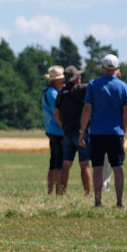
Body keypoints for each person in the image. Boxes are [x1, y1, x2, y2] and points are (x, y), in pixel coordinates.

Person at [79, 54, 127, 208]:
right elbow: (126, 113)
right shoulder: (123, 86)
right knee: (118, 168)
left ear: (102, 67)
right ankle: (119, 202)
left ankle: (97, 202)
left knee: (97, 168)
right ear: (116, 68)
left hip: (97, 132)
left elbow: (87, 109)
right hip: (116, 132)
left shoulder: (93, 84)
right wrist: (124, 132)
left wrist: (83, 130)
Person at [56, 65, 92, 196]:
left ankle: (62, 193)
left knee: (66, 164)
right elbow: (93, 86)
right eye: (78, 75)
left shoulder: (61, 92)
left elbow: (56, 114)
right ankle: (87, 193)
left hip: (67, 132)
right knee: (84, 164)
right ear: (74, 78)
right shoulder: (81, 89)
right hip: (81, 133)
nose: (80, 77)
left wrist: (63, 126)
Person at [42, 65, 66, 195]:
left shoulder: (47, 91)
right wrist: (64, 126)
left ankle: (50, 190)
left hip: (51, 129)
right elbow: (57, 112)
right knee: (59, 163)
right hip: (58, 130)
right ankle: (58, 191)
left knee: (53, 162)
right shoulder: (54, 94)